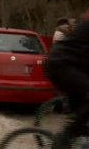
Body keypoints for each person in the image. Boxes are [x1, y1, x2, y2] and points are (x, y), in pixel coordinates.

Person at [43, 10, 89, 148]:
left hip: (67, 65)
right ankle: (65, 137)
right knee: (74, 126)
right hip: (62, 65)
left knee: (81, 120)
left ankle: (75, 137)